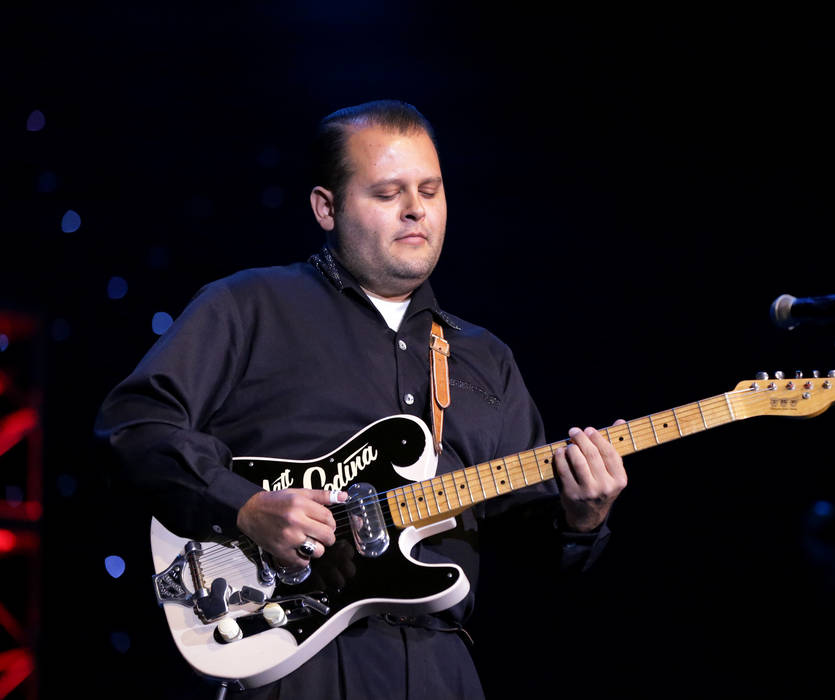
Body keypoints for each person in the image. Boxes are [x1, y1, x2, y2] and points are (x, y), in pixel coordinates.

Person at [95, 100, 627, 698]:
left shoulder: (485, 356)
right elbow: (133, 424)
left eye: (431, 189)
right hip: (289, 663)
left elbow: (536, 553)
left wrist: (584, 517)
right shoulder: (248, 305)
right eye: (387, 193)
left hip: (440, 668)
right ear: (327, 207)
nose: (415, 209)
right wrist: (243, 506)